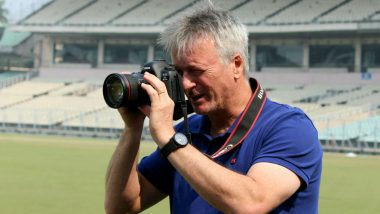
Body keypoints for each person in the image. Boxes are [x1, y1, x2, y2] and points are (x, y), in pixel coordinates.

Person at [105, 4, 323, 214]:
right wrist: (132, 130)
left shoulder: (289, 127)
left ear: (236, 64)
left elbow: (251, 203)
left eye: (196, 71)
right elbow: (121, 206)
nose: (186, 84)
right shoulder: (187, 134)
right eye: (179, 73)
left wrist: (170, 140)